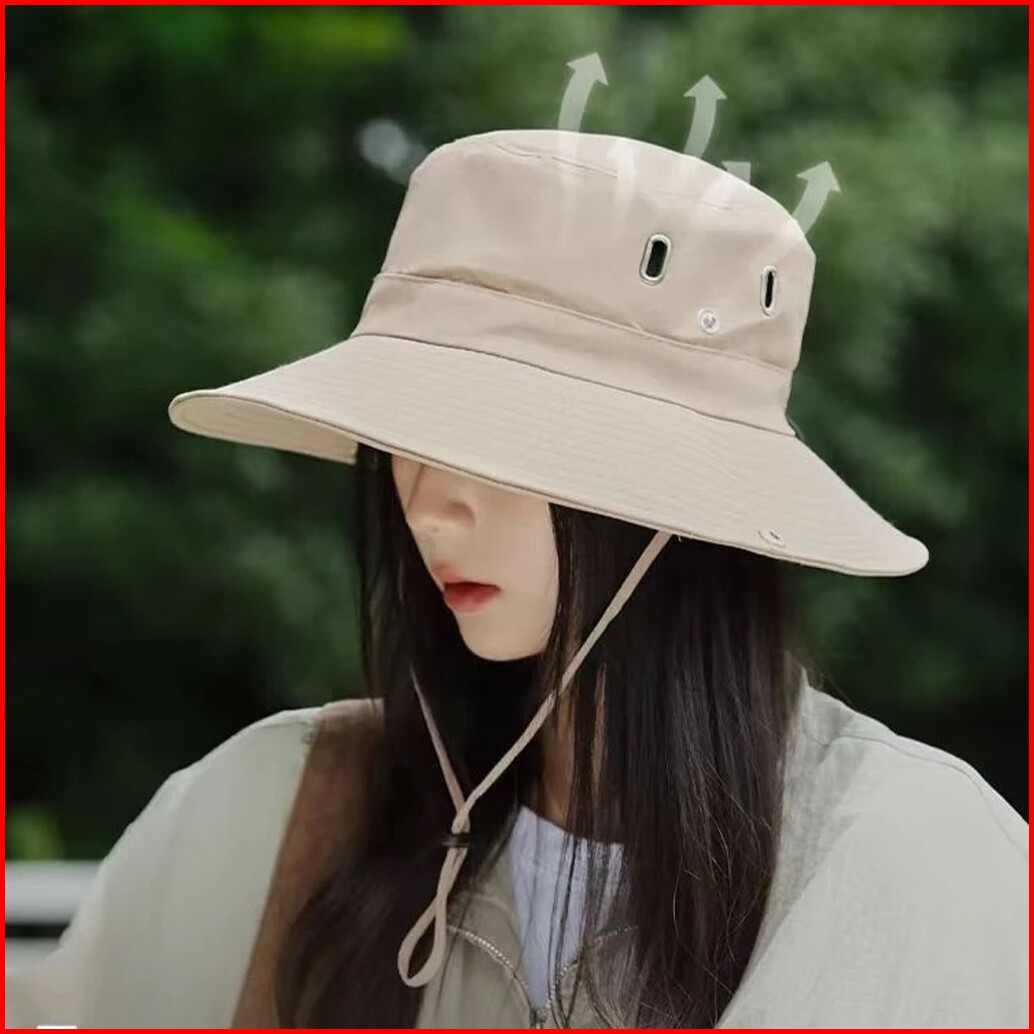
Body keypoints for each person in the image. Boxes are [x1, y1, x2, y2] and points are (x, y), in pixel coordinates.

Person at [6, 129, 1027, 1029]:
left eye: (502, 437)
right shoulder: (265, 810)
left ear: (681, 495)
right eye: (405, 432)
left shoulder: (912, 862)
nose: (429, 505)